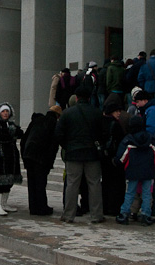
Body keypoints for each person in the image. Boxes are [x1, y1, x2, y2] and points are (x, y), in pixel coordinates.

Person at [55, 86, 105, 224]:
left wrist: (67, 146)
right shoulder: (96, 112)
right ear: (89, 98)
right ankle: (96, 215)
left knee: (72, 184)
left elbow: (58, 134)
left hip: (73, 153)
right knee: (94, 183)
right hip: (92, 154)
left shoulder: (67, 113)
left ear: (76, 98)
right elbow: (104, 133)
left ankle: (68, 215)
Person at [114, 115, 155, 226]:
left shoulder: (128, 139)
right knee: (147, 193)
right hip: (148, 170)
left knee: (130, 193)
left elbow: (121, 157)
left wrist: (117, 163)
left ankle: (124, 214)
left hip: (132, 170)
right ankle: (145, 215)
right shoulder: (150, 138)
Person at [133, 90, 155, 219]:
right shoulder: (151, 109)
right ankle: (152, 209)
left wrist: (142, 141)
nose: (136, 104)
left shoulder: (152, 110)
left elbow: (151, 130)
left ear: (144, 100)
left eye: (137, 102)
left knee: (154, 178)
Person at [21, 105, 61, 215]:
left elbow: (24, 140)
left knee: (32, 182)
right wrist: (49, 163)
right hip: (41, 157)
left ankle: (33, 207)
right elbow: (53, 146)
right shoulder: (53, 124)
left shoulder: (36, 120)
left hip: (29, 155)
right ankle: (42, 207)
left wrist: (24, 155)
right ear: (58, 116)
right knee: (40, 183)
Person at [0, 102, 23, 216]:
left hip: (12, 156)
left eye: (7, 111)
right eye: (3, 111)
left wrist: (12, 133)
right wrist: (12, 134)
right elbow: (2, 137)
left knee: (10, 180)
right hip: (2, 157)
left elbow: (20, 133)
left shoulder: (11, 124)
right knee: (1, 181)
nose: (5, 113)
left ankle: (4, 203)